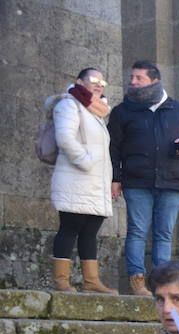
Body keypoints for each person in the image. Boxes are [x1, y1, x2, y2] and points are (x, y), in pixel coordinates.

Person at [108, 60, 179, 296]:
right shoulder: (122, 112)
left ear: (154, 81)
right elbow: (114, 148)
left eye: (138, 78)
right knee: (137, 231)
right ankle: (137, 282)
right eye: (132, 77)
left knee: (164, 234)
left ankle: (161, 284)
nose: (132, 82)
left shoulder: (178, 110)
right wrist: (115, 178)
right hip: (137, 182)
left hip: (172, 183)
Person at [47, 67, 115, 294]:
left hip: (95, 183)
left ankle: (91, 282)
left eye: (102, 82)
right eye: (94, 79)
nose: (99, 84)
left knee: (89, 231)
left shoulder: (97, 111)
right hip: (76, 178)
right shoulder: (69, 104)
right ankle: (61, 281)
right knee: (70, 227)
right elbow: (64, 138)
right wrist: (85, 160)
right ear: (79, 81)